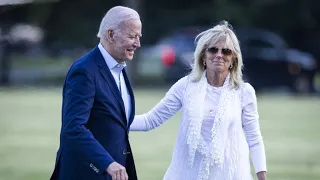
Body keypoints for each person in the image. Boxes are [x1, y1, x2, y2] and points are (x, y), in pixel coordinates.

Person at [130, 21, 267, 180]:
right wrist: (111, 119)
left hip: (230, 174)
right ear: (203, 55)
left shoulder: (244, 92)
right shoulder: (185, 86)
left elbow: (254, 139)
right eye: (213, 49)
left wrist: (262, 177)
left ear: (233, 59)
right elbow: (150, 120)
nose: (219, 55)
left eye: (226, 51)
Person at [50, 6, 142, 180]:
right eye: (132, 36)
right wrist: (106, 163)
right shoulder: (84, 71)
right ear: (111, 35)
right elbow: (73, 128)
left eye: (138, 37)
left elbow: (116, 122)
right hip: (86, 173)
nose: (137, 43)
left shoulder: (119, 68)